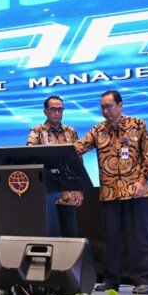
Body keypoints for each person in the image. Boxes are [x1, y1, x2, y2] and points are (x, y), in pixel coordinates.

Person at [75, 90, 148, 294]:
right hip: (110, 192)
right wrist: (53, 153)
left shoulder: (138, 124)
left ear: (120, 105)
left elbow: (147, 155)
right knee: (111, 239)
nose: (105, 110)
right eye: (102, 107)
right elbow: (78, 147)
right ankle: (111, 281)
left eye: (109, 106)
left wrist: (142, 181)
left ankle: (143, 280)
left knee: (139, 238)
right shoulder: (98, 130)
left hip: (137, 191)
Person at [26, 95, 83, 237]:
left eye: (60, 109)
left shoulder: (71, 132)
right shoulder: (37, 131)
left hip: (68, 192)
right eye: (53, 109)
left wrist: (79, 189)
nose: (57, 113)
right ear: (45, 111)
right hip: (47, 193)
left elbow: (78, 162)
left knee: (71, 236)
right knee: (50, 236)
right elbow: (29, 155)